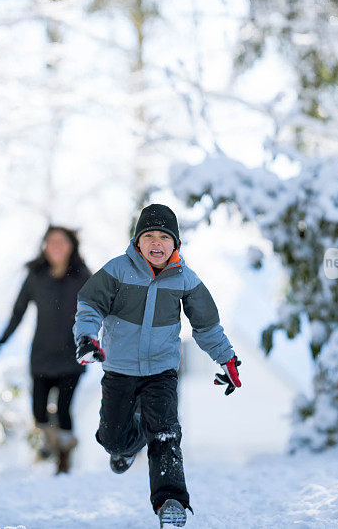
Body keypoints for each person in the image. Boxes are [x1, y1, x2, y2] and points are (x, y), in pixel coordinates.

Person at [72, 204, 242, 528]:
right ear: (137, 241)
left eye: (164, 236)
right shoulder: (118, 270)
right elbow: (89, 305)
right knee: (112, 438)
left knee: (165, 433)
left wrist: (227, 359)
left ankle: (171, 501)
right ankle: (127, 447)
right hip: (120, 370)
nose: (156, 242)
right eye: (149, 235)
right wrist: (87, 338)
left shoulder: (185, 279)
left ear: (175, 244)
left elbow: (206, 326)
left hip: (161, 373)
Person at [0, 225, 91, 474]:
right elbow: (19, 310)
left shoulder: (82, 276)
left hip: (73, 356)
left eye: (62, 241)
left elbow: (99, 309)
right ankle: (55, 443)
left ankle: (63, 460)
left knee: (63, 409)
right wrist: (3, 338)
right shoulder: (35, 276)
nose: (56, 246)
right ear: (45, 247)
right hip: (41, 355)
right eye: (51, 242)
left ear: (71, 245)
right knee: (39, 413)